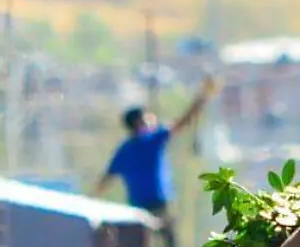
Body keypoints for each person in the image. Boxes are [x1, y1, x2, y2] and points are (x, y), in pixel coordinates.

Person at [93, 78, 219, 217]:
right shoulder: (152, 140)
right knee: (167, 236)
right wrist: (202, 97)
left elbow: (106, 179)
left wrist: (91, 201)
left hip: (137, 209)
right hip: (159, 205)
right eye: (148, 118)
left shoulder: (124, 150)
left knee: (141, 238)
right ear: (139, 122)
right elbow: (183, 121)